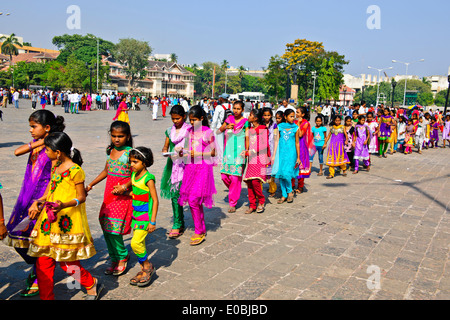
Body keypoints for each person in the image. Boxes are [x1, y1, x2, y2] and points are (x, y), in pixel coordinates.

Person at [27, 132, 103, 300]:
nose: (45, 152)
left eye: (47, 149)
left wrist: (63, 205)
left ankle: (90, 283)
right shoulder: (55, 166)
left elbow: (81, 197)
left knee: (67, 263)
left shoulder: (76, 171)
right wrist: (38, 202)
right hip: (49, 221)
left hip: (66, 222)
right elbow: (50, 190)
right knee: (43, 263)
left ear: (58, 152)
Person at [4, 110, 65, 297]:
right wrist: (41, 141)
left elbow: (58, 175)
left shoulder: (54, 147)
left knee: (38, 237)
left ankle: (41, 273)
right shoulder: (39, 144)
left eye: (33, 126)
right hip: (26, 198)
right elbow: (17, 151)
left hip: (42, 199)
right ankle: (37, 267)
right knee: (17, 235)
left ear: (46, 128)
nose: (30, 130)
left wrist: (42, 201)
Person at [86, 121, 134, 276]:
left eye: (120, 136)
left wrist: (125, 186)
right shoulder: (110, 151)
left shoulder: (130, 153)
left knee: (115, 229)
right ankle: (113, 257)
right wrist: (91, 184)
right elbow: (106, 170)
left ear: (127, 137)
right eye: (114, 136)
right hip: (109, 195)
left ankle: (122, 256)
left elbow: (137, 175)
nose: (117, 139)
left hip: (122, 197)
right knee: (106, 228)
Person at [178, 106, 217, 246]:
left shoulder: (208, 132)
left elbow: (213, 153)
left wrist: (199, 154)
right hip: (190, 167)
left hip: (203, 168)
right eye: (190, 120)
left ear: (201, 118)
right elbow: (189, 148)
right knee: (192, 199)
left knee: (194, 199)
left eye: (194, 120)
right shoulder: (189, 131)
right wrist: (183, 151)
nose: (192, 122)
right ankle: (201, 228)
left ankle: (199, 231)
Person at [127, 147, 158, 287]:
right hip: (136, 215)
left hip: (145, 216)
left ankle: (147, 266)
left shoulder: (148, 178)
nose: (132, 164)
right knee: (141, 243)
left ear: (144, 162)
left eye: (135, 162)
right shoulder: (134, 175)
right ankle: (143, 269)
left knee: (135, 243)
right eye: (131, 161)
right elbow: (137, 194)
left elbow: (154, 200)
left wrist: (152, 221)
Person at [161, 105, 190, 239]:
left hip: (188, 166)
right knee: (175, 195)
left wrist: (184, 152)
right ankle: (177, 224)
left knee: (190, 196)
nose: (175, 121)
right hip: (174, 167)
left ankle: (195, 223)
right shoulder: (169, 131)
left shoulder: (190, 130)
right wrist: (165, 151)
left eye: (177, 118)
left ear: (184, 116)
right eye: (173, 119)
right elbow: (166, 146)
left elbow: (193, 147)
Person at [218, 101, 248, 213]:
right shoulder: (229, 119)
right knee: (224, 176)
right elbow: (218, 131)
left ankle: (233, 203)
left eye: (238, 109)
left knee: (235, 178)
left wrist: (247, 150)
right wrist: (226, 127)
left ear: (242, 110)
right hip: (228, 152)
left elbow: (248, 137)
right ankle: (234, 190)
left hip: (239, 153)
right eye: (234, 108)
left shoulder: (245, 122)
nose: (236, 111)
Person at [243, 108, 270, 214]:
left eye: (250, 115)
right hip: (251, 159)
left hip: (260, 158)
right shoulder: (250, 129)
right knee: (249, 182)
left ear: (255, 118)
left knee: (255, 181)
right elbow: (248, 143)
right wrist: (245, 151)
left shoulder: (263, 129)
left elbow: (264, 145)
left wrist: (252, 151)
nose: (248, 117)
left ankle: (261, 201)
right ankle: (252, 204)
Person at [271, 109, 300, 204]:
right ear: (285, 117)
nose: (293, 118)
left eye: (293, 116)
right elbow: (276, 141)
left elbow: (297, 143)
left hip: (291, 154)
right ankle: (284, 194)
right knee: (281, 174)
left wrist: (298, 157)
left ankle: (290, 192)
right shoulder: (279, 127)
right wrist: (274, 155)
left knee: (287, 174)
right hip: (281, 153)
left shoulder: (296, 128)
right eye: (291, 116)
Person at [293, 106, 315, 194]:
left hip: (301, 146)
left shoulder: (305, 123)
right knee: (292, 165)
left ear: (303, 114)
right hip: (293, 145)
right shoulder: (293, 121)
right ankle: (291, 185)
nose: (296, 114)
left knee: (300, 166)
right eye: (296, 112)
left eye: (298, 112)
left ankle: (300, 186)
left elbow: (301, 134)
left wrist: (298, 124)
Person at [211, 93, 232, 164]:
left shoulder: (219, 107)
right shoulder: (231, 106)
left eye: (220, 98)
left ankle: (221, 159)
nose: (219, 99)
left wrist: (212, 129)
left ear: (222, 99)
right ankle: (228, 158)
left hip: (220, 127)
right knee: (227, 143)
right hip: (229, 127)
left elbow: (215, 119)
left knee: (220, 144)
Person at [262, 108, 278, 197]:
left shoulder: (274, 126)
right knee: (261, 170)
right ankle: (259, 190)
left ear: (271, 115)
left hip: (271, 151)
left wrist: (274, 153)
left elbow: (276, 140)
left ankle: (272, 189)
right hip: (262, 151)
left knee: (270, 172)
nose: (266, 117)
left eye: (268, 115)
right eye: (265, 115)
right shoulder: (260, 124)